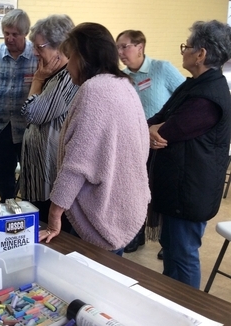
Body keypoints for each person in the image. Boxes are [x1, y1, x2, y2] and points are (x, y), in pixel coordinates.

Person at [39, 22, 151, 257]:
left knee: (91, 276)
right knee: (109, 272)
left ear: (84, 57)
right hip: (122, 202)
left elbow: (78, 163)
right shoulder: (124, 84)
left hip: (99, 209)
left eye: (71, 58)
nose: (68, 66)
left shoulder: (94, 90)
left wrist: (54, 215)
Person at [148, 20, 231, 289]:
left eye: (187, 46)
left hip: (189, 192)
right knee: (172, 251)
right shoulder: (193, 85)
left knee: (183, 256)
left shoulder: (208, 95)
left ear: (201, 54)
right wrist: (151, 128)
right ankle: (172, 304)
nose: (183, 51)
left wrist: (154, 128)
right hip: (179, 189)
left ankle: (186, 313)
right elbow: (159, 119)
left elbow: (168, 130)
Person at [116, 30, 185, 255]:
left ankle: (168, 242)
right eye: (118, 48)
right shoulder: (122, 77)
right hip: (134, 144)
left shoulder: (161, 69)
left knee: (161, 192)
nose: (120, 53)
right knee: (135, 191)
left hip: (162, 144)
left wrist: (167, 128)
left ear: (140, 46)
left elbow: (186, 99)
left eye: (125, 46)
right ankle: (136, 234)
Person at [20, 14, 78, 232]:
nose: (35, 52)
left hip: (51, 177)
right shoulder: (52, 75)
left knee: (51, 234)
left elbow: (31, 113)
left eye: (40, 46)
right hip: (39, 174)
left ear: (61, 47)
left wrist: (36, 80)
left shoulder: (65, 78)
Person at [0, 9, 38, 202]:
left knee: (30, 174)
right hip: (2, 125)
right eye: (6, 33)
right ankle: (6, 204)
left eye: (15, 34)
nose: (10, 38)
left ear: (25, 33)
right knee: (3, 174)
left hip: (29, 128)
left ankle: (28, 207)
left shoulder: (36, 55)